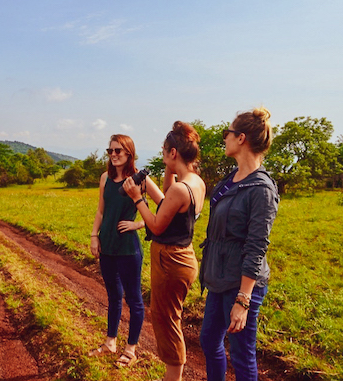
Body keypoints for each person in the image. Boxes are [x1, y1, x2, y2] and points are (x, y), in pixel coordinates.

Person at [198, 107, 279, 381]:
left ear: (241, 138)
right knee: (209, 340)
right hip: (220, 279)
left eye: (227, 133)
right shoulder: (229, 181)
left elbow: (257, 246)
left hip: (242, 284)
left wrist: (243, 300)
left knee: (242, 357)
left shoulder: (261, 189)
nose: (225, 139)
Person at [123, 121, 206, 381]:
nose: (162, 155)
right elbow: (167, 198)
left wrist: (137, 197)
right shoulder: (195, 183)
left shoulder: (182, 189)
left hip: (171, 260)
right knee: (170, 316)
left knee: (167, 320)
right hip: (183, 256)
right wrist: (168, 170)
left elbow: (157, 225)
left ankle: (174, 377)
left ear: (173, 153)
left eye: (165, 152)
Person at [88, 134, 146, 368]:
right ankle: (110, 342)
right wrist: (94, 236)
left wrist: (136, 224)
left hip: (128, 249)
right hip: (108, 246)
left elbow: (155, 213)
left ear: (129, 153)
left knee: (134, 299)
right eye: (110, 151)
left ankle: (131, 349)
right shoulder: (105, 178)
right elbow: (101, 211)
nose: (113, 155)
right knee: (113, 296)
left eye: (118, 151)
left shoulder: (138, 179)